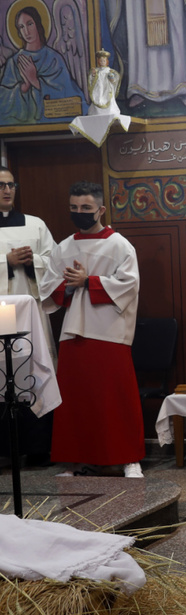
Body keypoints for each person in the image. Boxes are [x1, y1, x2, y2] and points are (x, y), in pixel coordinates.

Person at [41, 181, 144, 478]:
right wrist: (70, 286)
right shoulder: (64, 247)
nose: (79, 212)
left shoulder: (120, 245)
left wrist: (88, 281)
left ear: (100, 209)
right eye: (74, 208)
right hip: (74, 333)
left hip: (110, 331)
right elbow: (49, 288)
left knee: (115, 398)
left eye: (86, 208)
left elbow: (129, 285)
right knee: (77, 401)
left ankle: (129, 459)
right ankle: (76, 460)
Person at [0, 166, 57, 466]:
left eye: (11, 185)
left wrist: (34, 261)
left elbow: (55, 262)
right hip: (1, 315)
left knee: (35, 371)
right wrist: (5, 263)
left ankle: (38, 448)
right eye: (1, 185)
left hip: (31, 314)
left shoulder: (36, 225)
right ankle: (4, 452)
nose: (7, 190)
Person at [0, 5, 88, 124]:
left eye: (30, 24)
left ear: (38, 24)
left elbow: (71, 96)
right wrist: (24, 87)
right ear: (19, 32)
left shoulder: (54, 59)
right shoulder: (13, 62)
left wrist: (35, 81)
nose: (26, 31)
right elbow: (3, 100)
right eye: (21, 27)